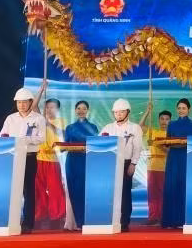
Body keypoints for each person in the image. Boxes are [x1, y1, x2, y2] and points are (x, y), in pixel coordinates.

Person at [0, 88, 46, 234]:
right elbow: (2, 135)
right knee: (11, 190)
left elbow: (42, 138)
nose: (21, 105)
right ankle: (10, 221)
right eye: (19, 102)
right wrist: (6, 139)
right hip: (11, 158)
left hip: (29, 157)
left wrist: (25, 140)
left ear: (31, 102)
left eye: (24, 102)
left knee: (28, 190)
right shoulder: (10, 118)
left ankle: (27, 224)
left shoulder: (38, 119)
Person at [100, 98, 143, 233]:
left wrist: (133, 164)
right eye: (116, 112)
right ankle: (110, 220)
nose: (118, 114)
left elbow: (137, 148)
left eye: (121, 112)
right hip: (110, 164)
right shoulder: (108, 128)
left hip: (126, 163)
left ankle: (124, 222)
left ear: (128, 112)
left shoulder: (135, 128)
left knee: (125, 194)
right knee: (110, 193)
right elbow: (98, 143)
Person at [30, 90, 67, 230]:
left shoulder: (61, 121)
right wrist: (41, 89)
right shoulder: (40, 119)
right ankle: (40, 215)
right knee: (37, 189)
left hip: (53, 159)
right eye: (47, 107)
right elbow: (33, 106)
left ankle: (56, 216)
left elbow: (61, 134)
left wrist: (48, 123)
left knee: (55, 189)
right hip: (39, 158)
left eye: (52, 107)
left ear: (57, 109)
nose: (49, 109)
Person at [161, 98, 192, 229]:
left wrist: (182, 143)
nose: (181, 110)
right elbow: (167, 141)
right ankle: (170, 221)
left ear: (188, 109)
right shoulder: (171, 124)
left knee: (184, 187)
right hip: (173, 158)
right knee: (171, 186)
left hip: (186, 158)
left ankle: (183, 220)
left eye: (184, 108)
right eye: (179, 108)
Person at [63, 100, 98, 230]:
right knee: (73, 190)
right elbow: (66, 144)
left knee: (84, 189)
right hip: (72, 161)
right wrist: (61, 147)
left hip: (86, 161)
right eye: (78, 108)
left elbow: (95, 145)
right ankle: (77, 222)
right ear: (75, 110)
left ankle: (85, 220)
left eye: (84, 108)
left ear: (87, 110)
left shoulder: (93, 127)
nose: (81, 111)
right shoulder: (70, 127)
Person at [139, 104, 171, 226]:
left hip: (165, 166)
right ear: (158, 120)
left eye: (167, 119)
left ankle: (163, 217)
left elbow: (170, 151)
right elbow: (140, 126)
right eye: (162, 119)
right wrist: (147, 111)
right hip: (152, 166)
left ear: (170, 121)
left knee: (163, 192)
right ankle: (153, 217)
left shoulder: (171, 135)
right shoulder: (153, 131)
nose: (164, 121)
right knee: (152, 193)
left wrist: (158, 145)